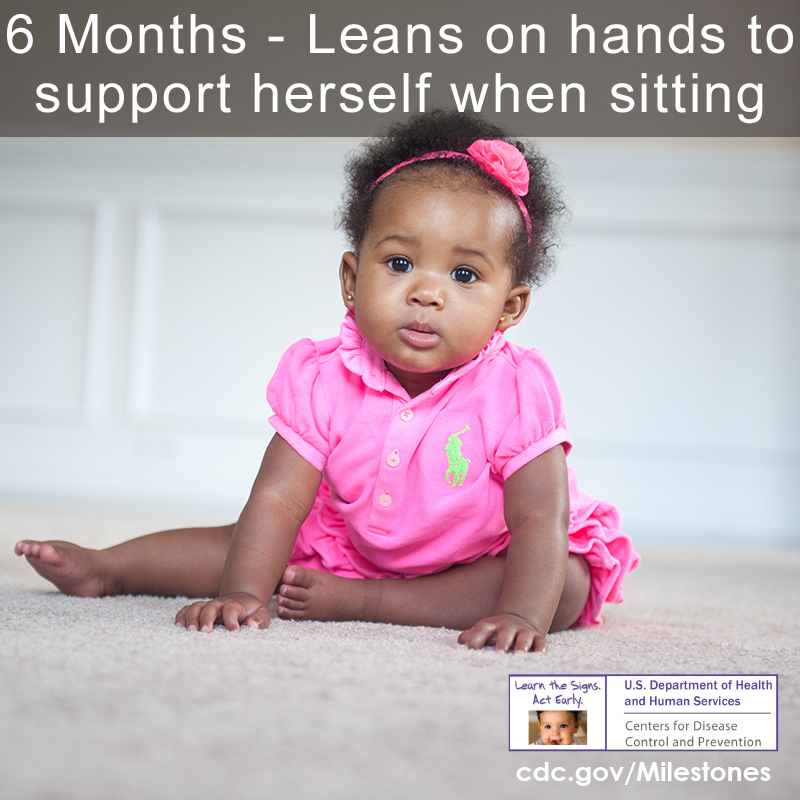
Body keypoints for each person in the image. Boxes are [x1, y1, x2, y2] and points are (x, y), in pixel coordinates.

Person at [14, 110, 639, 653]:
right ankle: (109, 569)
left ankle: (373, 603)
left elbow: (538, 521)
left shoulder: (517, 390)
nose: (426, 292)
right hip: (358, 543)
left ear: (510, 309)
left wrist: (520, 613)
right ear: (350, 277)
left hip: (477, 555)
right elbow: (278, 499)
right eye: (400, 263)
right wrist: (242, 593)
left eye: (465, 276)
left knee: (564, 589)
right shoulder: (323, 376)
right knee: (250, 544)